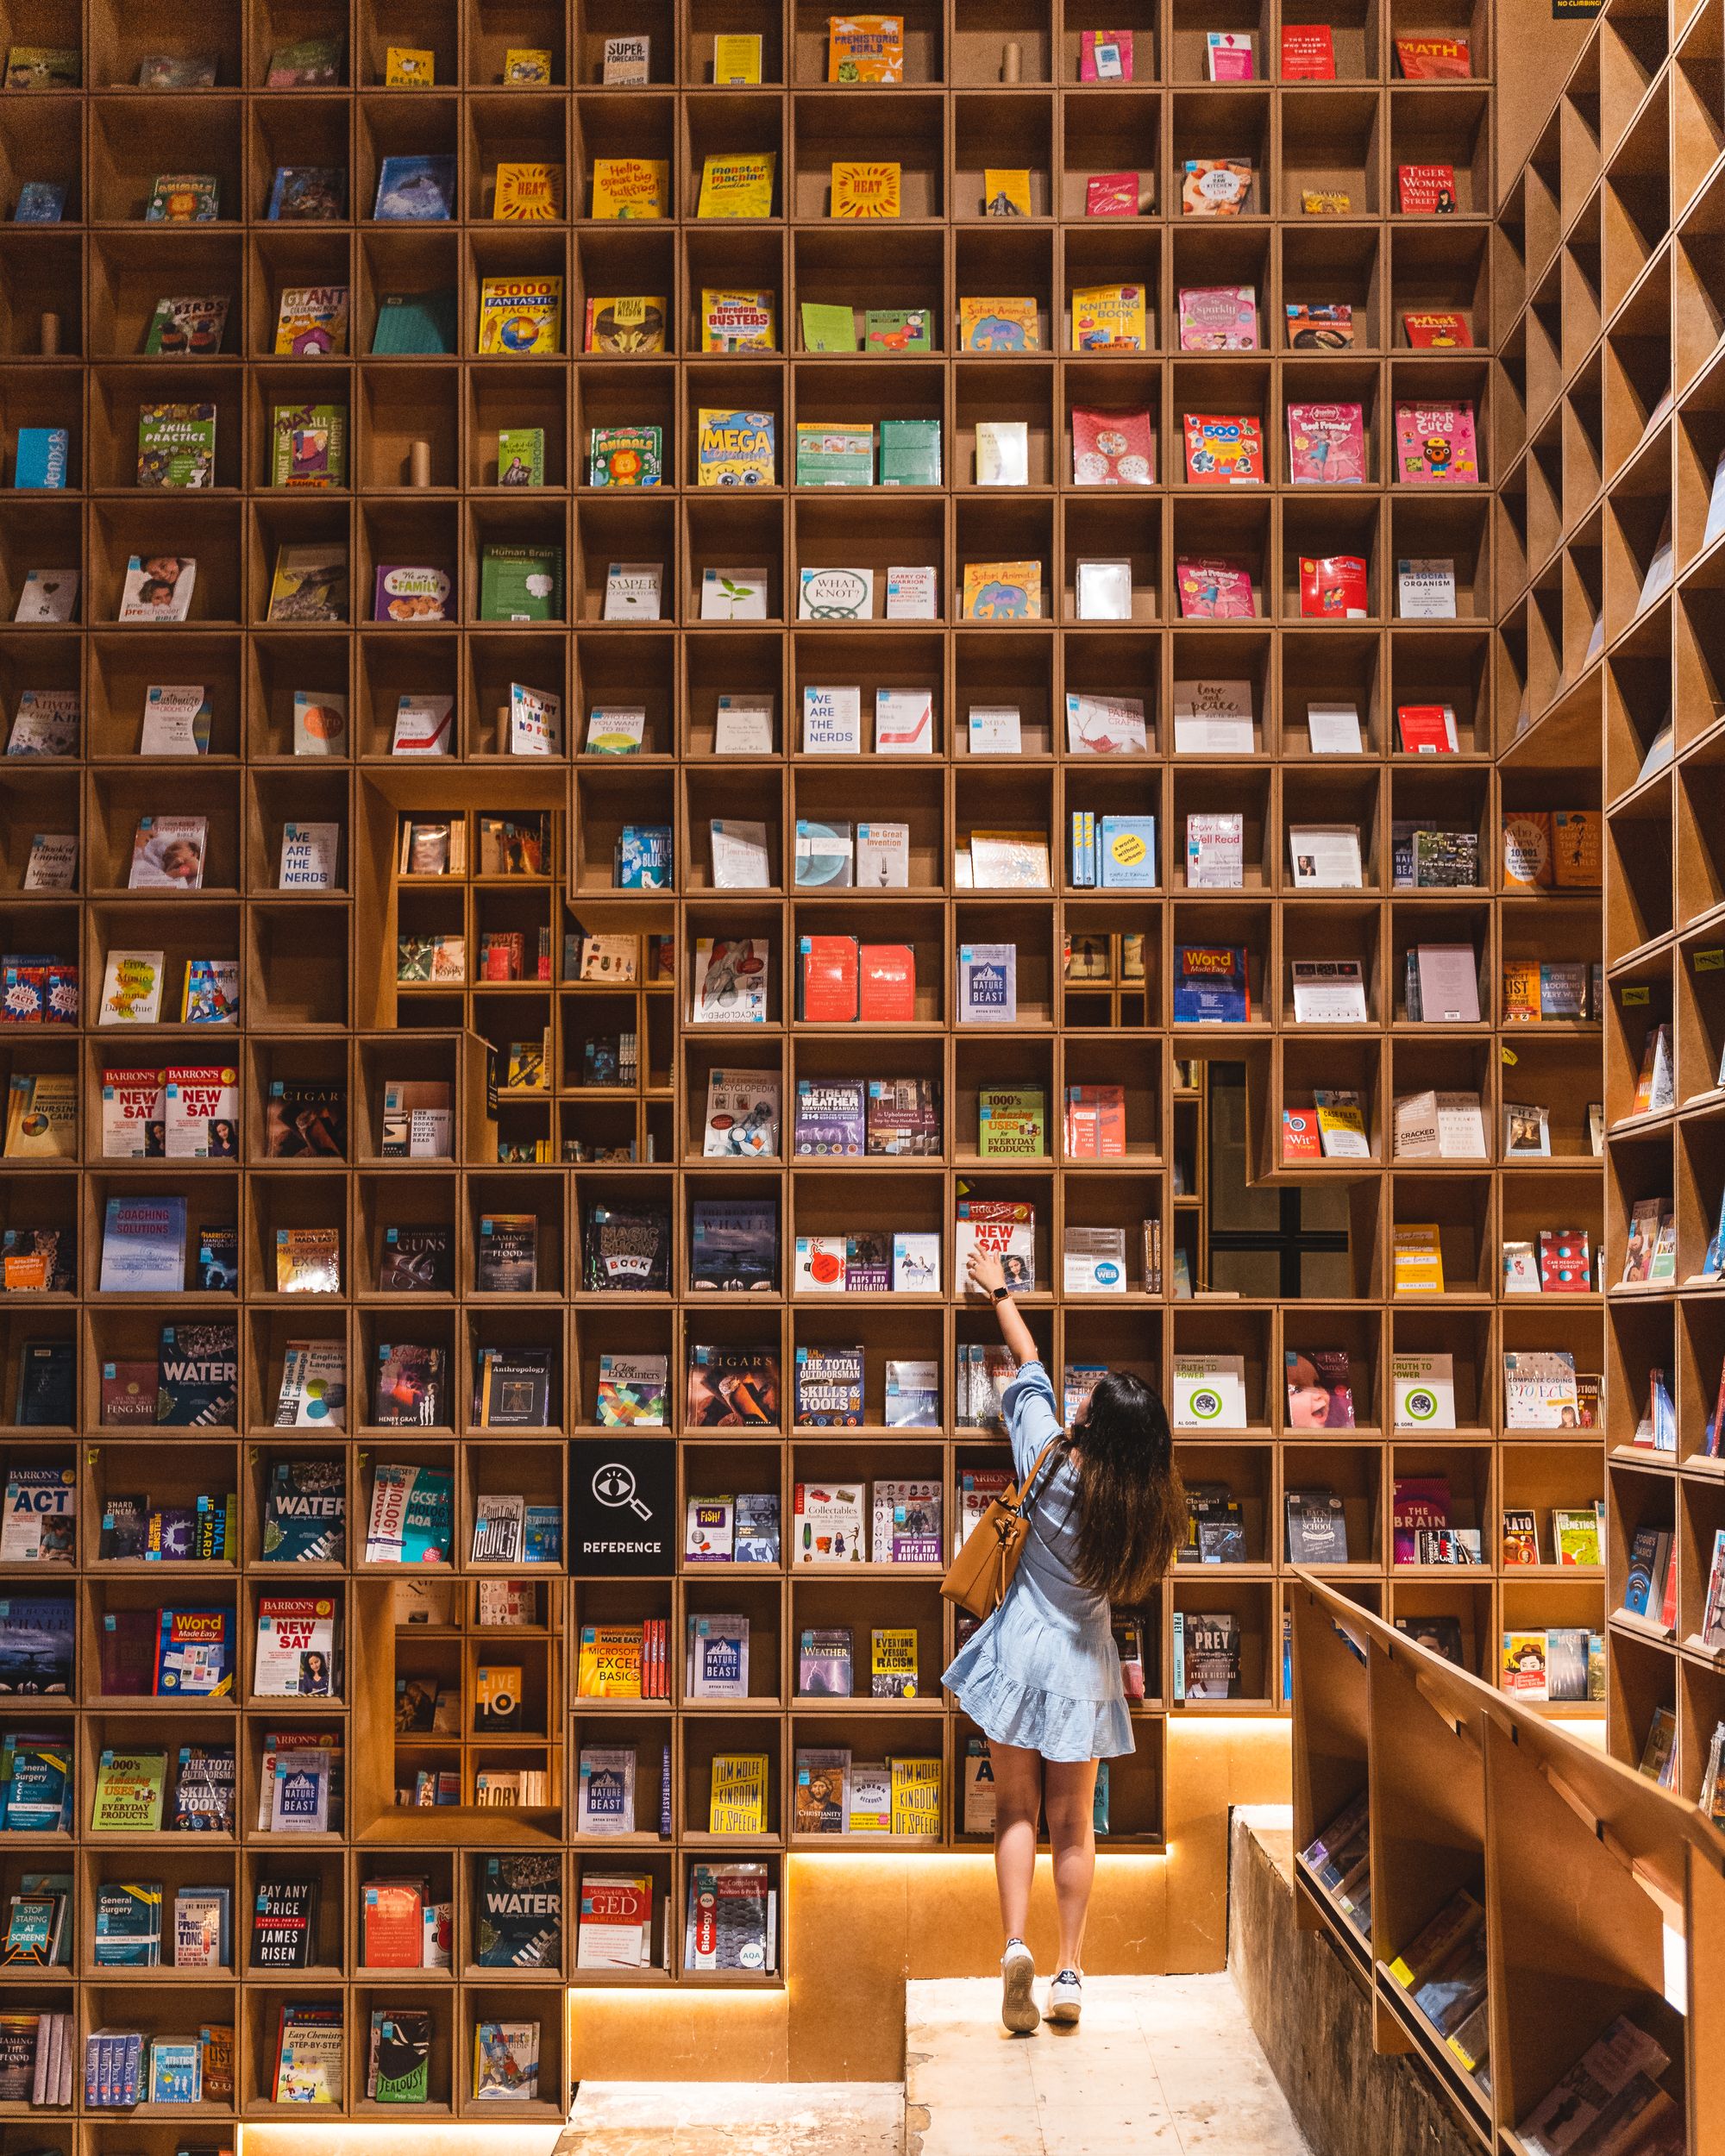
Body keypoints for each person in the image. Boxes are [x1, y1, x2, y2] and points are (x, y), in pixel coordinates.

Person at [944, 1249, 1185, 2036]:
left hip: (1019, 1651)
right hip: (1085, 1660)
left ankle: (1014, 1945)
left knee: (1014, 1810)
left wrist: (998, 1289)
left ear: (1089, 1420)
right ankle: (1070, 1970)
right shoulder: (1149, 1510)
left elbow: (1031, 1365)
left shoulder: (1047, 1456)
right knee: (1074, 1823)